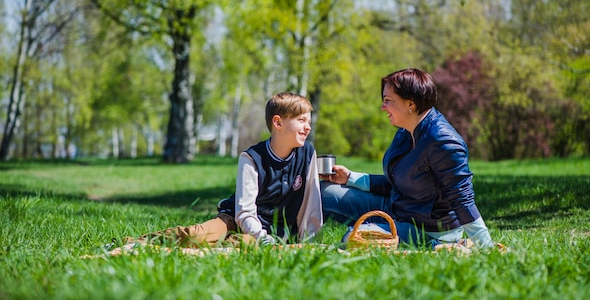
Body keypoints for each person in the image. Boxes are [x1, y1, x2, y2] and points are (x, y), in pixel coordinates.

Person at [117, 92, 323, 251]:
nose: (308, 128)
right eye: (301, 121)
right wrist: (263, 238)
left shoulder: (307, 155)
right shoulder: (252, 158)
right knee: (196, 236)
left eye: (309, 122)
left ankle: (229, 242)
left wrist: (309, 244)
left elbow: (311, 208)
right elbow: (244, 212)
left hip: (276, 233)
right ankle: (135, 244)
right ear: (278, 122)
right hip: (236, 220)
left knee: (244, 245)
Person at [321, 68, 494, 250]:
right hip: (398, 209)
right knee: (324, 192)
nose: (382, 107)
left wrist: (487, 248)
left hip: (425, 229)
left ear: (410, 104)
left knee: (353, 239)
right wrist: (349, 178)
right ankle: (296, 242)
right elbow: (397, 182)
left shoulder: (443, 141)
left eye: (388, 101)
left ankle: (439, 246)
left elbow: (462, 200)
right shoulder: (405, 132)